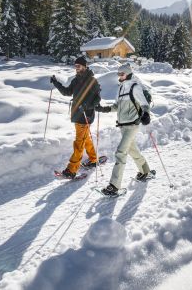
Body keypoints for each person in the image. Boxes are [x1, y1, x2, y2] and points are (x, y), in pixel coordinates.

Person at [95, 63, 152, 196]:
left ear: (128, 74)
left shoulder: (135, 87)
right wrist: (104, 108)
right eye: (118, 74)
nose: (119, 76)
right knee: (133, 150)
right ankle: (145, 171)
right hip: (122, 125)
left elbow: (144, 104)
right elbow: (116, 106)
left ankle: (114, 186)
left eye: (122, 74)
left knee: (121, 152)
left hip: (132, 125)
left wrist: (146, 114)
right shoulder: (120, 89)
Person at [51, 56, 101, 178]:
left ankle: (71, 170)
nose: (76, 68)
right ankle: (93, 160)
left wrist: (86, 106)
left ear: (84, 66)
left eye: (78, 66)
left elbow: (97, 99)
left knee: (79, 143)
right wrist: (56, 83)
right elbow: (67, 92)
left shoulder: (92, 81)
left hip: (86, 116)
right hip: (77, 115)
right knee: (85, 139)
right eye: (75, 66)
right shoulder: (76, 80)